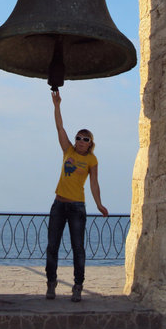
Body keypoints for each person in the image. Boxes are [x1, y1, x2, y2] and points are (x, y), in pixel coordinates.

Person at [45, 90, 108, 302]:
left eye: (85, 139)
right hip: (58, 204)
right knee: (52, 246)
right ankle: (51, 284)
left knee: (78, 248)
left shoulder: (92, 160)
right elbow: (60, 127)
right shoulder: (68, 151)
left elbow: (94, 182)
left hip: (77, 208)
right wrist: (57, 105)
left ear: (90, 143)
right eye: (79, 138)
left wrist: (99, 204)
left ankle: (78, 286)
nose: (81, 141)